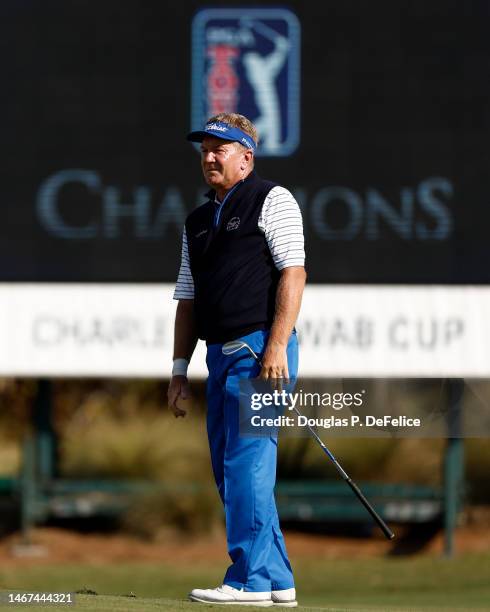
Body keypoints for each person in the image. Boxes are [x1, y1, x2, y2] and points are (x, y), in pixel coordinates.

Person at [168, 113, 306, 607]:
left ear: (246, 157)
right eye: (204, 148)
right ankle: (275, 578)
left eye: (220, 148)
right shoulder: (197, 221)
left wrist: (275, 346)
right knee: (231, 470)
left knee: (247, 461)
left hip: (259, 352)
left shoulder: (272, 198)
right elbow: (187, 297)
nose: (209, 156)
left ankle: (246, 580)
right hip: (218, 354)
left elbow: (293, 274)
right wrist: (179, 368)